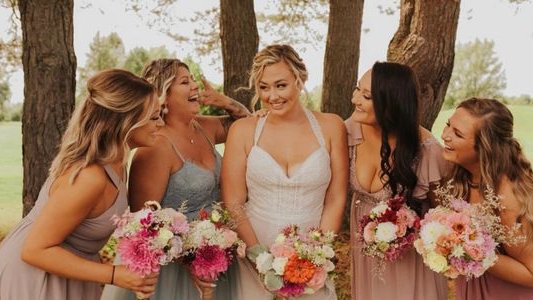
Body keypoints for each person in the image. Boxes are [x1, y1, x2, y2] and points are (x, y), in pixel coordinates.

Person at [0, 69, 163, 300]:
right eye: (154, 116)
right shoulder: (89, 177)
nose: (160, 123)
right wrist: (115, 274)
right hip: (35, 276)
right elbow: (34, 250)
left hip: (73, 272)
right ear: (126, 119)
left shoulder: (118, 163)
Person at [100, 58, 251, 300]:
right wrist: (190, 261)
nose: (194, 86)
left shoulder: (204, 127)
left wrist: (226, 102)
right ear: (164, 96)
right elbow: (145, 225)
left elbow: (248, 126)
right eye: (185, 81)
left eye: (192, 79)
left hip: (216, 258)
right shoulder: (154, 147)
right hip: (173, 269)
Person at [221, 44, 348, 300]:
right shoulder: (243, 131)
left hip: (311, 257)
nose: (272, 96)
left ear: (300, 80)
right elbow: (233, 201)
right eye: (264, 87)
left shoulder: (332, 127)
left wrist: (318, 254)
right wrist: (260, 259)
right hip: (254, 249)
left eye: (281, 85)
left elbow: (335, 199)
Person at [441, 98, 533, 300]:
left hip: (529, 291)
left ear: (485, 148)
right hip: (493, 282)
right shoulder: (463, 171)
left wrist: (465, 249)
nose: (445, 135)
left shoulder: (509, 198)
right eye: (448, 125)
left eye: (458, 134)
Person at [347, 62, 450, 300]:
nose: (355, 99)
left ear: (390, 103)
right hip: (364, 252)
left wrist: (406, 227)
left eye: (366, 96)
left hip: (408, 258)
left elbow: (442, 215)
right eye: (357, 89)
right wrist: (260, 117)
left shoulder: (427, 150)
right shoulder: (350, 131)